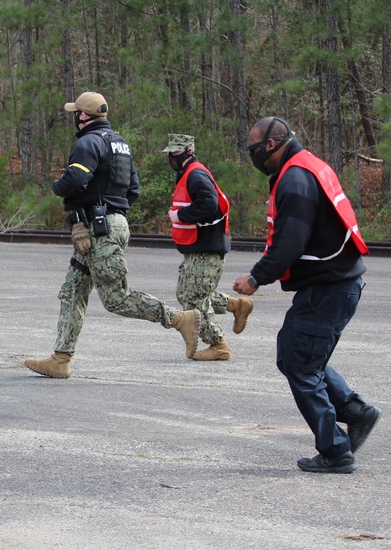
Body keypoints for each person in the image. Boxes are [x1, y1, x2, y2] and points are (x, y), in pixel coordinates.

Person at [233, 116, 380, 473]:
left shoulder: (296, 178)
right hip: (334, 284)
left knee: (299, 362)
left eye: (254, 149)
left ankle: (335, 450)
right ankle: (356, 412)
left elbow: (290, 243)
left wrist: (255, 278)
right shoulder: (308, 166)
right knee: (296, 356)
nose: (253, 156)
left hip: (330, 288)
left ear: (270, 145)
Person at [24, 92, 200, 379]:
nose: (75, 117)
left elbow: (76, 179)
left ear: (83, 116)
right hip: (107, 225)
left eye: (76, 113)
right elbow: (134, 189)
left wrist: (58, 188)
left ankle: (180, 319)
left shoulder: (87, 142)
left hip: (100, 231)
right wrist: (109, 213)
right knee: (73, 292)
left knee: (115, 298)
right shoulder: (120, 144)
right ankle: (61, 358)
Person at [164, 133, 253, 361]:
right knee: (185, 294)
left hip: (207, 248)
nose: (171, 158)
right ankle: (236, 306)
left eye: (175, 153)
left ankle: (218, 345)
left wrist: (179, 216)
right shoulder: (188, 173)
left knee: (194, 299)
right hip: (198, 247)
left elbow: (209, 203)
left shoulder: (196, 174)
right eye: (170, 153)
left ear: (188, 152)